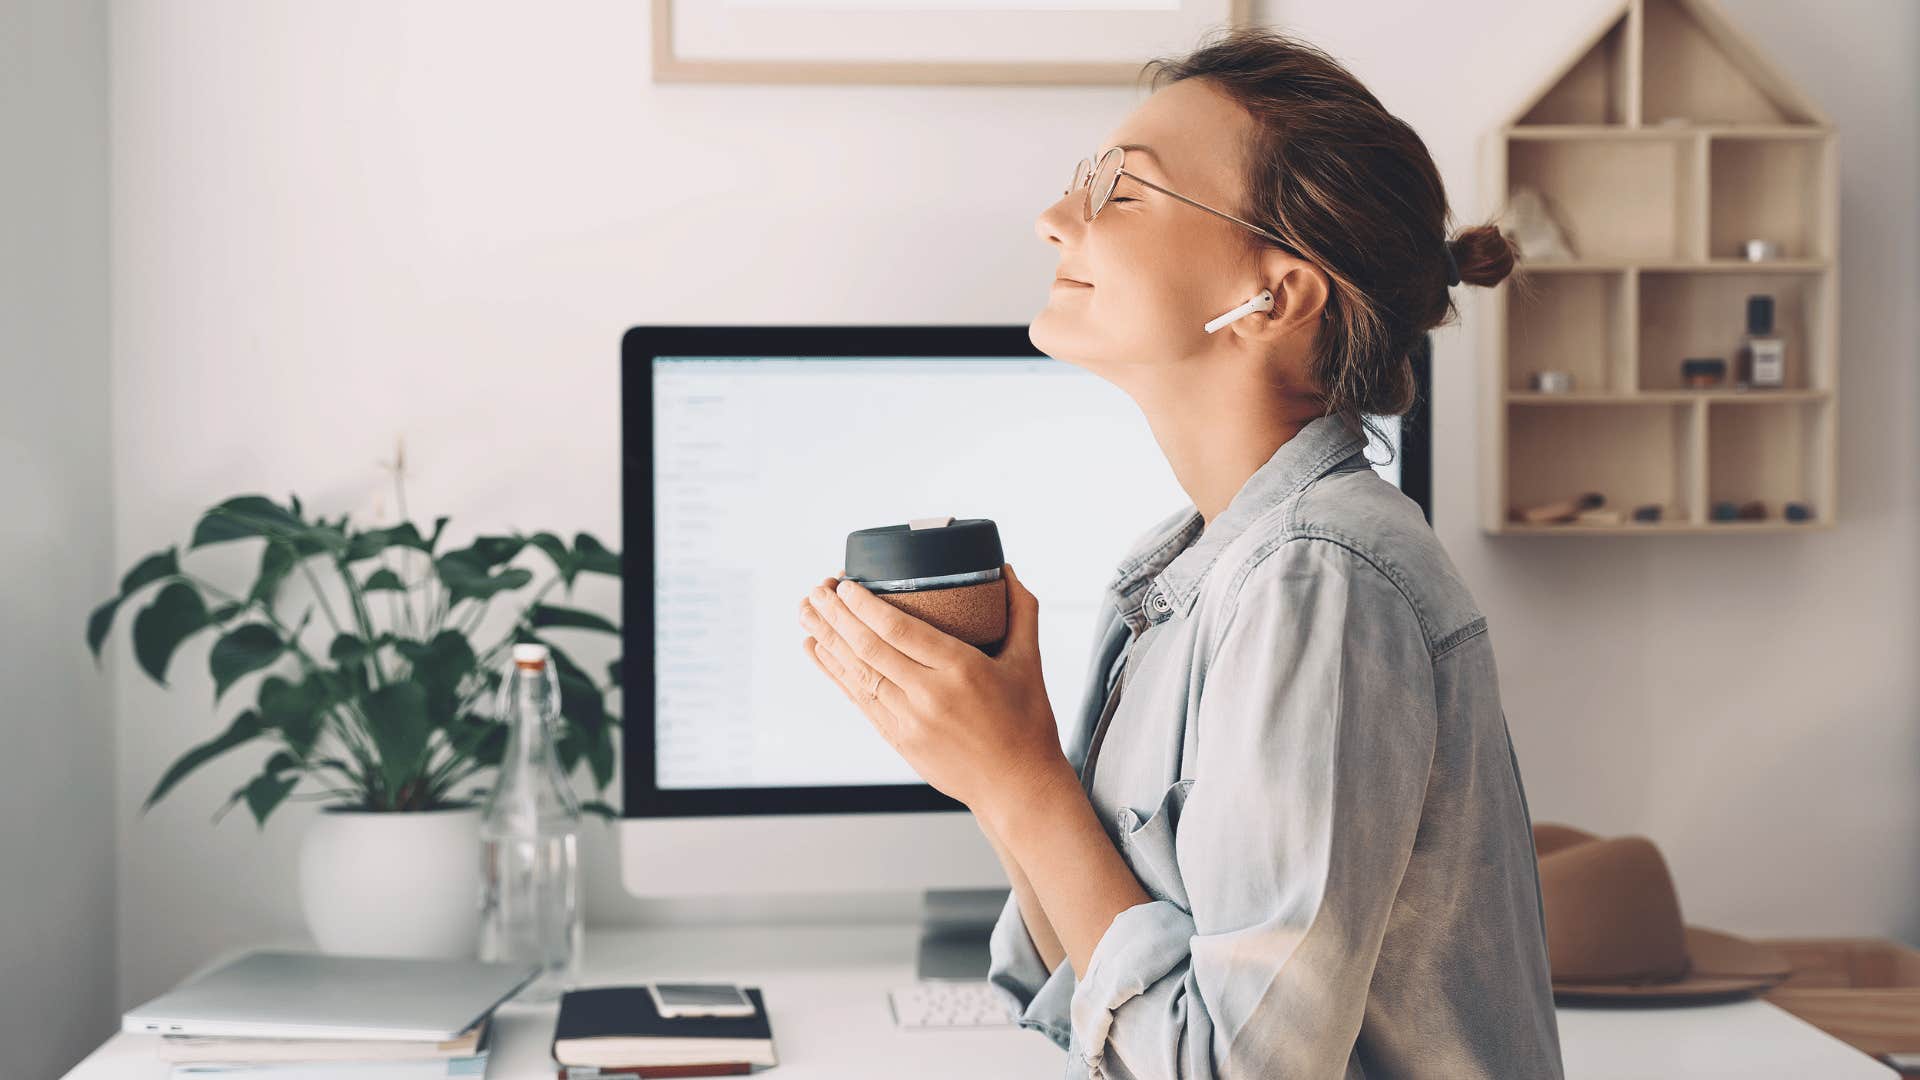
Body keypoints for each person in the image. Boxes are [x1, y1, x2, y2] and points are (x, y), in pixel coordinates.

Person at [795, 25, 1563, 1080]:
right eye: (1083, 183)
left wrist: (1021, 783)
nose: (1055, 219)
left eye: (1123, 192)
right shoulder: (1183, 572)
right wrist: (991, 766)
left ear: (1278, 296)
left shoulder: (1320, 580)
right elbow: (1092, 997)